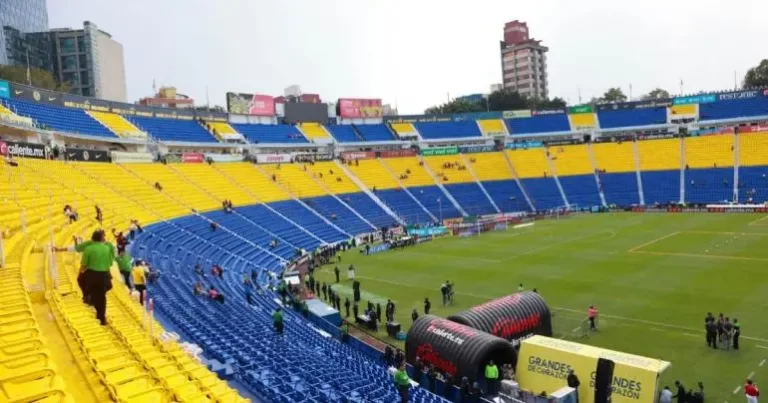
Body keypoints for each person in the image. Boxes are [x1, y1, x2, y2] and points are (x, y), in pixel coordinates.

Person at [76, 230, 115, 325]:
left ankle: (88, 296)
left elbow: (84, 265)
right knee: (101, 297)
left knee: (81, 281)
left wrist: (79, 274)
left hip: (92, 275)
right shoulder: (107, 248)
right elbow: (110, 263)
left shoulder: (88, 249)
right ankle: (101, 318)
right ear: (101, 238)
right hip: (104, 275)